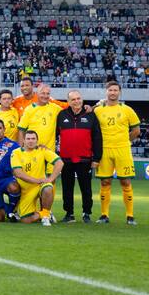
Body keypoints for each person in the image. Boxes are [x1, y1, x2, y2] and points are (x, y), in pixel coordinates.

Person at [93, 80, 141, 225]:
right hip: (105, 150)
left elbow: (136, 131)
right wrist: (96, 104)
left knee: (125, 182)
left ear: (119, 92)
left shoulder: (127, 110)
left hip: (123, 150)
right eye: (110, 90)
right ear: (106, 92)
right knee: (105, 182)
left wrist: (126, 142)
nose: (112, 92)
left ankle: (130, 216)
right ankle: (104, 215)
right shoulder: (98, 110)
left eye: (115, 90)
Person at [55, 90, 102, 223]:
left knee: (86, 188)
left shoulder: (91, 115)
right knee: (67, 188)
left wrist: (96, 158)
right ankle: (69, 214)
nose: (76, 101)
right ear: (68, 102)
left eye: (78, 98)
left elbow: (97, 138)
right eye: (73, 99)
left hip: (85, 159)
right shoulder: (61, 115)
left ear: (82, 100)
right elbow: (54, 136)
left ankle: (86, 213)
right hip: (66, 160)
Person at [11, 130, 64, 226]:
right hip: (26, 190)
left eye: (33, 139)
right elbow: (18, 173)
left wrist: (50, 179)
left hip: (40, 186)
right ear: (23, 140)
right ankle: (42, 214)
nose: (30, 141)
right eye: (28, 139)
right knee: (25, 220)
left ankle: (46, 215)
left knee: (48, 187)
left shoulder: (42, 150)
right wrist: (37, 180)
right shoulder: (16, 153)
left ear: (37, 140)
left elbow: (59, 163)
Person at [18, 84, 62, 151]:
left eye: (48, 93)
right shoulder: (29, 109)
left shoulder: (55, 108)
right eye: (43, 93)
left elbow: (68, 111)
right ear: (37, 94)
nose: (45, 96)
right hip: (33, 151)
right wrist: (20, 150)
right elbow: (21, 130)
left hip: (49, 152)